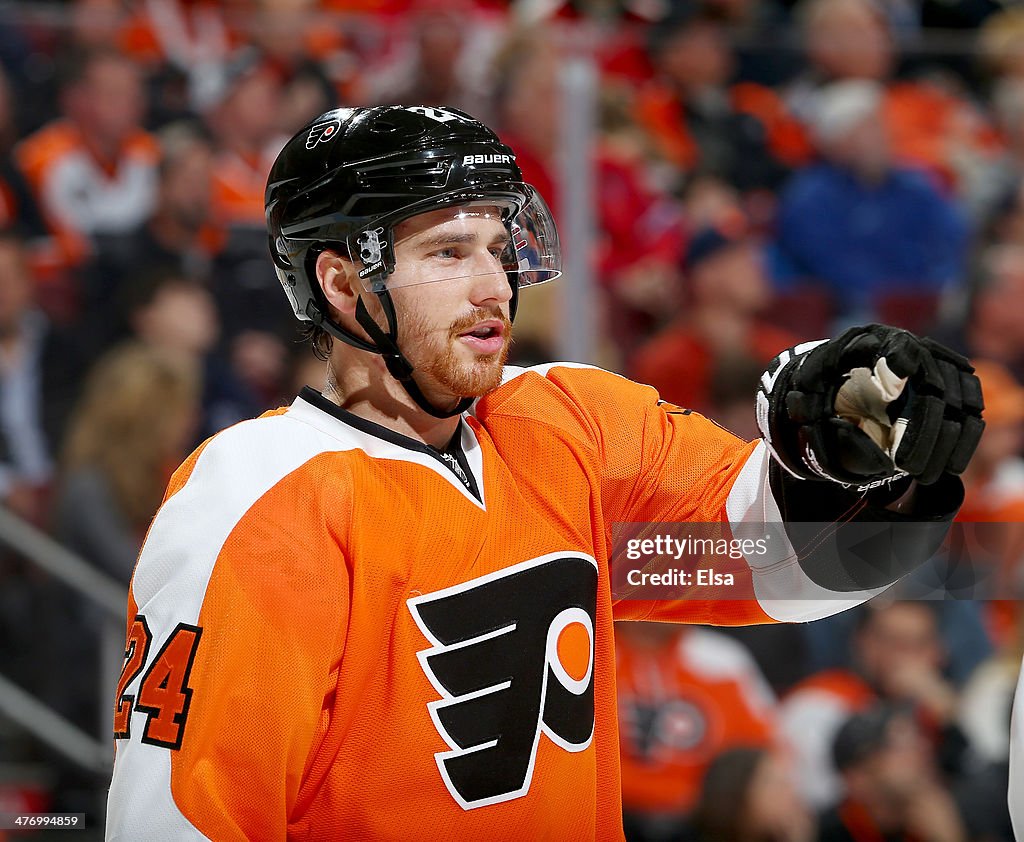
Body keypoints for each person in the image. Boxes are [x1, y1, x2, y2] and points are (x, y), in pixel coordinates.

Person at [105, 105, 984, 840]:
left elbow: (771, 570)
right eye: (449, 252)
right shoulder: (257, 497)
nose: (494, 284)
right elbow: (184, 819)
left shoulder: (568, 420)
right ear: (341, 282)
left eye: (499, 245)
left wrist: (843, 461)